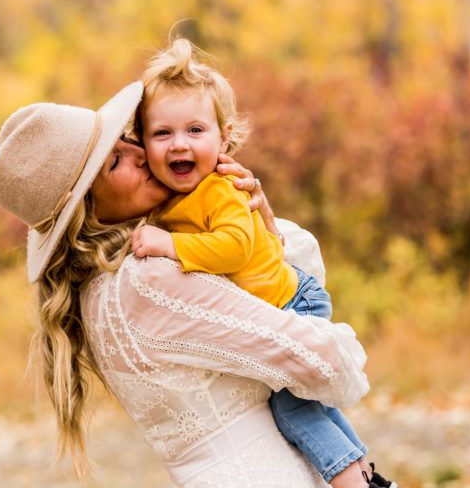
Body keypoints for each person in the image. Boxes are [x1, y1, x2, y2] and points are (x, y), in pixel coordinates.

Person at [0, 80, 371, 487]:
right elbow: (323, 360)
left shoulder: (103, 290)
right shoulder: (147, 278)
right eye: (114, 162)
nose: (140, 154)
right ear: (88, 210)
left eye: (125, 141)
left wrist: (261, 224)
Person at [130, 39, 395, 488]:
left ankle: (351, 484)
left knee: (292, 408)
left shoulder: (220, 189)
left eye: (196, 130)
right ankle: (368, 476)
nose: (179, 144)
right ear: (143, 142)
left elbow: (233, 247)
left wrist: (171, 247)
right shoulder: (175, 200)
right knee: (314, 406)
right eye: (162, 133)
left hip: (292, 300)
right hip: (277, 299)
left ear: (224, 137)